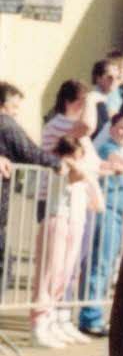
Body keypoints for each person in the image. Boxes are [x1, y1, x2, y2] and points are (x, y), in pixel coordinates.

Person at [29, 136, 103, 348]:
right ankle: (38, 324)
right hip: (57, 220)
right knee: (49, 274)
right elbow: (71, 174)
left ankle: (50, 321)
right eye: (70, 155)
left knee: (64, 275)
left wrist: (89, 177)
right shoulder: (59, 169)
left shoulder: (82, 174)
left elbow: (98, 204)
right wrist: (82, 170)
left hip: (74, 224)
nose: (74, 160)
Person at [78, 113, 123, 336]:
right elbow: (113, 159)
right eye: (120, 128)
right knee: (99, 263)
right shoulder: (108, 148)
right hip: (107, 210)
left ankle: (95, 312)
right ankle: (90, 315)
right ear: (111, 130)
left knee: (108, 263)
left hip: (119, 211)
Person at [0, 81, 61, 272]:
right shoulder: (6, 124)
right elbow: (30, 152)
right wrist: (58, 163)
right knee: (3, 263)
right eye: (14, 106)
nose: (17, 112)